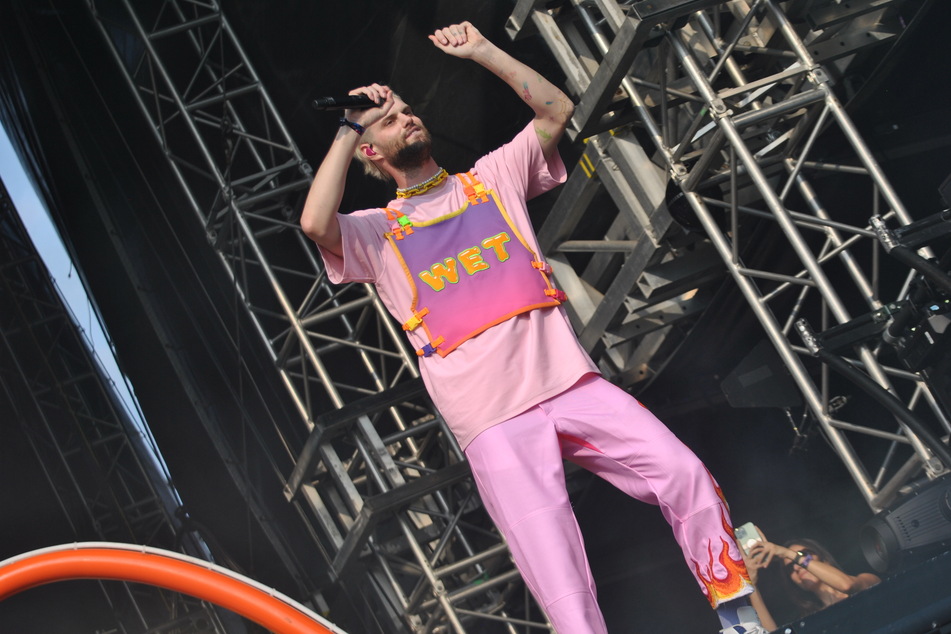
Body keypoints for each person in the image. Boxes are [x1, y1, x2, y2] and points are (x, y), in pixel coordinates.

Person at [300, 20, 764, 634]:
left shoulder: (490, 178)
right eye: (390, 122)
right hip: (492, 421)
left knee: (683, 473)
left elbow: (556, 111)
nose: (406, 118)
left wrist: (483, 51)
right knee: (560, 581)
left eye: (408, 111)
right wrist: (350, 124)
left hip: (570, 383)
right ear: (371, 153)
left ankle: (740, 621)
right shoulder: (378, 232)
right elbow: (314, 223)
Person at [741, 530, 881, 628]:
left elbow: (846, 585)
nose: (796, 567)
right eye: (790, 568)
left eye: (803, 555)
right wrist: (752, 585)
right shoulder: (810, 621)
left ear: (823, 559)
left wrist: (786, 553)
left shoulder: (866, 578)